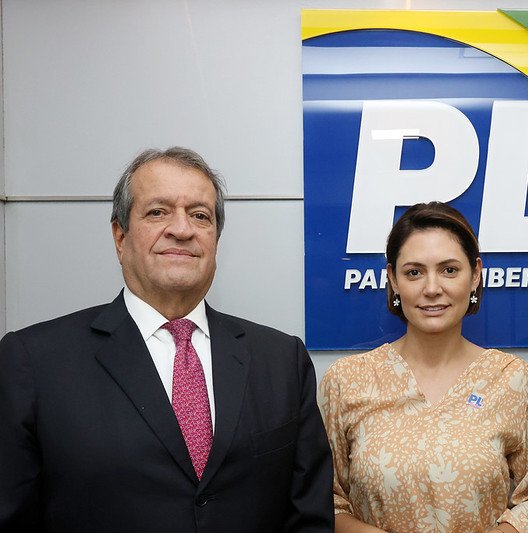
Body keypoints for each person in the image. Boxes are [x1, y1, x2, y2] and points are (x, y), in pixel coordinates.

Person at [0, 147, 333, 532]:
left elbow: (309, 519)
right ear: (120, 236)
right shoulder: (33, 362)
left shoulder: (281, 360)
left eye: (200, 215)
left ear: (216, 239)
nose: (182, 229)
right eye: (158, 212)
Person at [318, 202, 528, 533]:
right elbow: (327, 501)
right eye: (414, 272)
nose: (431, 288)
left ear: (475, 275)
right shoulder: (347, 380)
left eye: (449, 270)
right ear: (393, 280)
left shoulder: (511, 378)